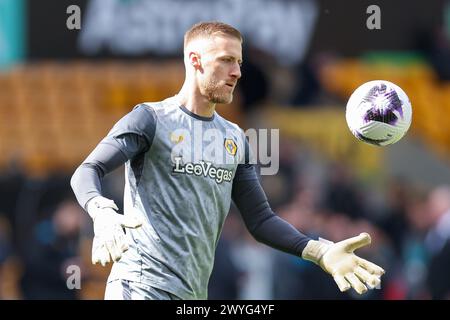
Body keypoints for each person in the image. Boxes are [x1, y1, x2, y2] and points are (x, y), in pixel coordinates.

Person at [70, 21, 384, 300]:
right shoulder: (150, 119)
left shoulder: (235, 139)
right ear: (195, 61)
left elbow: (260, 220)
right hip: (139, 287)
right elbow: (87, 171)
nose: (237, 72)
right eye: (226, 61)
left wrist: (320, 251)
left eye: (239, 62)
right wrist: (102, 211)